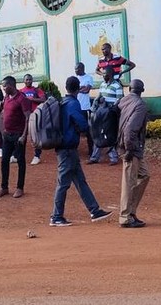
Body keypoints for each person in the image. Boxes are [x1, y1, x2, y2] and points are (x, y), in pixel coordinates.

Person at [49, 76, 113, 227]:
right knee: (63, 183)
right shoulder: (73, 103)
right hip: (67, 150)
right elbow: (83, 124)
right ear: (78, 89)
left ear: (66, 87)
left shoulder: (64, 103)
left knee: (80, 181)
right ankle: (56, 216)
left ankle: (94, 210)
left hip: (67, 149)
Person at [117, 79, 150, 228]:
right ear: (142, 90)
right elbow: (130, 129)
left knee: (144, 175)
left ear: (130, 88)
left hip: (128, 146)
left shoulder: (123, 100)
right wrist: (129, 149)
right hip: (130, 147)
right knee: (129, 182)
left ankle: (130, 211)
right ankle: (125, 216)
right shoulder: (140, 105)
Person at [0, 76, 31, 199]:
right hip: (7, 134)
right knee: (4, 161)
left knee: (20, 161)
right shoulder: (6, 98)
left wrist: (24, 135)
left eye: (5, 86)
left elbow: (27, 117)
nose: (3, 88)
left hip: (18, 135)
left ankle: (20, 187)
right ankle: (4, 187)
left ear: (11, 85)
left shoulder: (22, 99)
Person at [88, 67, 123, 165]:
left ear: (110, 75)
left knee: (108, 134)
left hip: (110, 114)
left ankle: (114, 158)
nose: (103, 76)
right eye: (103, 74)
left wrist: (110, 108)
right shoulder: (102, 85)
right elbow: (99, 96)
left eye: (105, 74)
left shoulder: (117, 86)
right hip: (101, 113)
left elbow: (119, 100)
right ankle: (95, 157)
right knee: (98, 133)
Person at [19, 74, 46, 165]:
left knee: (35, 136)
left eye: (30, 79)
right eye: (26, 79)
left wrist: (32, 99)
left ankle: (37, 156)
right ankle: (18, 154)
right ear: (24, 81)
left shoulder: (36, 90)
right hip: (23, 117)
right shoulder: (21, 91)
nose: (28, 81)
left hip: (34, 116)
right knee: (22, 135)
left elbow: (43, 99)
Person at [75, 62, 94, 154]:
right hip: (76, 107)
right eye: (75, 69)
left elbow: (86, 90)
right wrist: (81, 88)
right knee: (75, 129)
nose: (75, 71)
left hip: (85, 108)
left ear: (82, 68)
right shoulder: (75, 78)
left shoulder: (88, 78)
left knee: (88, 130)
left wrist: (78, 89)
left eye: (77, 69)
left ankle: (91, 150)